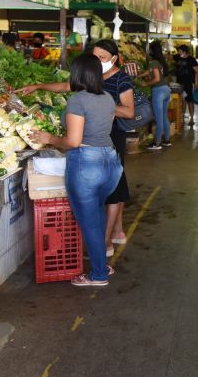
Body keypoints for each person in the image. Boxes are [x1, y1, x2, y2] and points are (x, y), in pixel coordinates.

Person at [17, 40, 136, 256]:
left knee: (112, 195)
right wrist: (39, 86)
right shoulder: (91, 83)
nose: (99, 62)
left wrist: (97, 107)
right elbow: (65, 87)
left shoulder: (119, 81)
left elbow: (129, 112)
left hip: (109, 140)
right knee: (105, 196)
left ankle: (105, 243)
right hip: (95, 142)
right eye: (95, 57)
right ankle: (113, 236)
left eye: (102, 58)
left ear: (114, 59)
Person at [29, 54, 123, 287]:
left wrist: (48, 137)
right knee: (97, 215)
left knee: (90, 222)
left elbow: (72, 141)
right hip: (110, 163)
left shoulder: (78, 101)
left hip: (87, 164)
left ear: (78, 74)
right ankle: (102, 265)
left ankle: (98, 274)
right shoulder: (108, 98)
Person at [140, 41, 172, 151]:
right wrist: (139, 75)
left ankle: (156, 143)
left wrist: (146, 83)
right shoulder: (161, 61)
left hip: (158, 91)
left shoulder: (153, 62)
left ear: (152, 50)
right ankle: (167, 140)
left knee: (158, 119)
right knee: (164, 116)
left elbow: (157, 78)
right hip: (167, 90)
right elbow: (150, 72)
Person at [174, 45, 198, 126]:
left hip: (188, 83)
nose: (178, 53)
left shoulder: (191, 60)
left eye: (180, 51)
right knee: (182, 100)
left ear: (184, 51)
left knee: (190, 100)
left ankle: (192, 118)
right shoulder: (178, 58)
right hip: (179, 84)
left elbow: (197, 71)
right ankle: (182, 117)